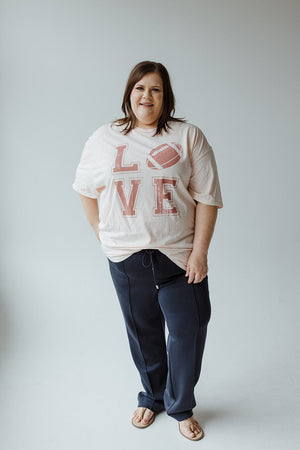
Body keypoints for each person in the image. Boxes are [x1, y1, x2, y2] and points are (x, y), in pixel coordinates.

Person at [72, 60, 223, 441]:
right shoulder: (104, 138)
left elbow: (207, 198)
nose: (147, 96)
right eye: (140, 88)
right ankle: (152, 395)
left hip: (178, 257)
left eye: (155, 89)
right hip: (126, 258)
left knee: (189, 328)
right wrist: (100, 232)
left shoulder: (188, 136)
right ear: (129, 93)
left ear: (165, 96)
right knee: (143, 333)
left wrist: (200, 252)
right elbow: (85, 189)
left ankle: (181, 405)